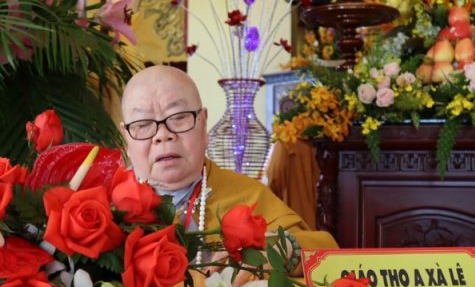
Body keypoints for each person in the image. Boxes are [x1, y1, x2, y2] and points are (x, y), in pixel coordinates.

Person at [120, 66, 337, 273]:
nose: (162, 135)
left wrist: (285, 252)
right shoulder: (106, 203)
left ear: (203, 123)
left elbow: (329, 256)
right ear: (126, 137)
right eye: (143, 124)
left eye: (178, 117)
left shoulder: (247, 196)